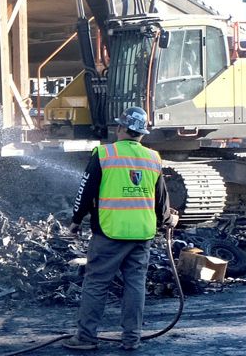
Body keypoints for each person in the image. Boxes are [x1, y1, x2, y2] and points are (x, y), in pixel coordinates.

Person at [64, 106, 179, 351]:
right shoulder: (153, 158)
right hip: (142, 235)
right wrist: (168, 219)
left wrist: (76, 220)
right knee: (135, 285)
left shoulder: (104, 154)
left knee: (96, 283)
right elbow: (161, 199)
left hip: (109, 233)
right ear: (142, 133)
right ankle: (132, 339)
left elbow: (86, 191)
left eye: (118, 126)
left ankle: (85, 338)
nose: (116, 129)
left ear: (122, 129)